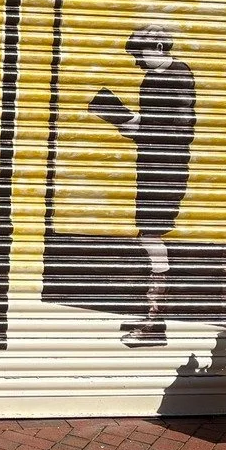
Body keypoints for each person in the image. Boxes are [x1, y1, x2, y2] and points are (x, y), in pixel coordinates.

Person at [90, 20, 197, 347]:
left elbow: (178, 132)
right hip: (150, 169)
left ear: (159, 48)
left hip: (167, 170)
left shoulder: (178, 76)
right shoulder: (152, 78)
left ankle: (154, 322)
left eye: (140, 53)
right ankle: (152, 318)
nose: (136, 61)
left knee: (150, 237)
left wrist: (129, 123)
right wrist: (124, 118)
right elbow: (152, 127)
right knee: (148, 237)